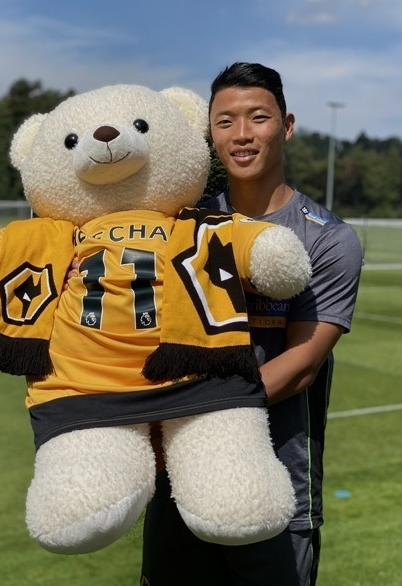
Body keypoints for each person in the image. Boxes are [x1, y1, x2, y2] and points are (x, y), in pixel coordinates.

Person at [140, 62, 363, 586]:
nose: (241, 134)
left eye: (258, 117)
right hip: (179, 481)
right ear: (210, 133)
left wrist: (196, 413)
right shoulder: (179, 226)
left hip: (278, 487)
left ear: (286, 126)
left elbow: (302, 365)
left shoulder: (328, 239)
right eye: (225, 121)